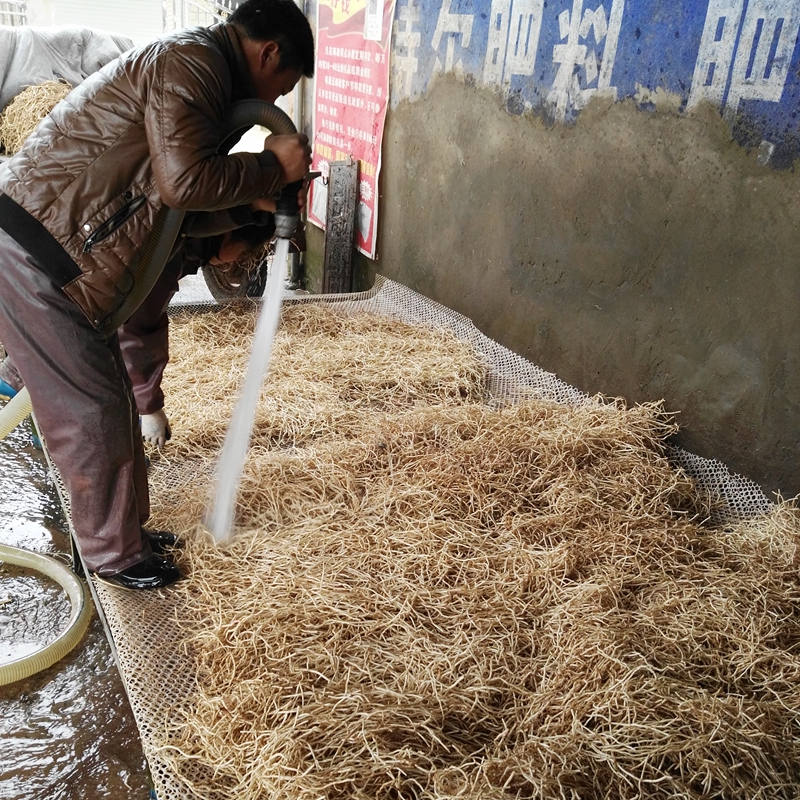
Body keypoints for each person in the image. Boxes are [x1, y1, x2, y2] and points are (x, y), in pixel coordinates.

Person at [0, 0, 314, 589]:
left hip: (61, 249)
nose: (276, 105)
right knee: (90, 410)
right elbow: (184, 182)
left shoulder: (200, 76)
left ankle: (126, 536)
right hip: (37, 250)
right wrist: (271, 167)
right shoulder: (193, 62)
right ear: (269, 53)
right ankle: (112, 557)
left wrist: (248, 201)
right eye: (284, 86)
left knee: (110, 401)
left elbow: (168, 210)